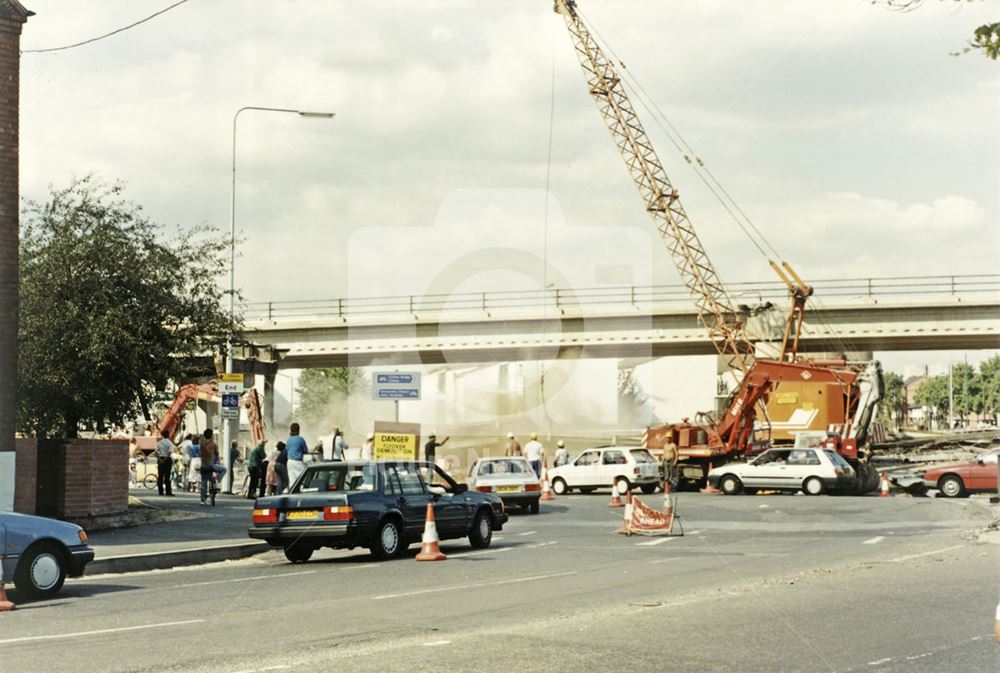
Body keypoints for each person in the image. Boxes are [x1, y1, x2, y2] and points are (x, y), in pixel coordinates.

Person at [199, 429, 220, 505]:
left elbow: (200, 454)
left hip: (204, 466)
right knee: (213, 479)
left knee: (203, 482)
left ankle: (202, 499)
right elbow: (217, 454)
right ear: (211, 435)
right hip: (212, 466)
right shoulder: (214, 444)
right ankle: (213, 490)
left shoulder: (202, 444)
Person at [285, 423, 309, 489]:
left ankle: (292, 493)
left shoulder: (288, 439)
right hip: (298, 462)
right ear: (298, 430)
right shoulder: (300, 439)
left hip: (289, 462)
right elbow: (306, 450)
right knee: (302, 479)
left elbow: (287, 449)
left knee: (292, 480)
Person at [154, 430, 174, 496]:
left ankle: (160, 491)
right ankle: (168, 491)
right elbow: (169, 452)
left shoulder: (159, 443)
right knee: (167, 476)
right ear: (168, 435)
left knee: (160, 476)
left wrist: (160, 459)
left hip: (160, 458)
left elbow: (155, 452)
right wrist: (165, 459)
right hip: (167, 460)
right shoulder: (170, 443)